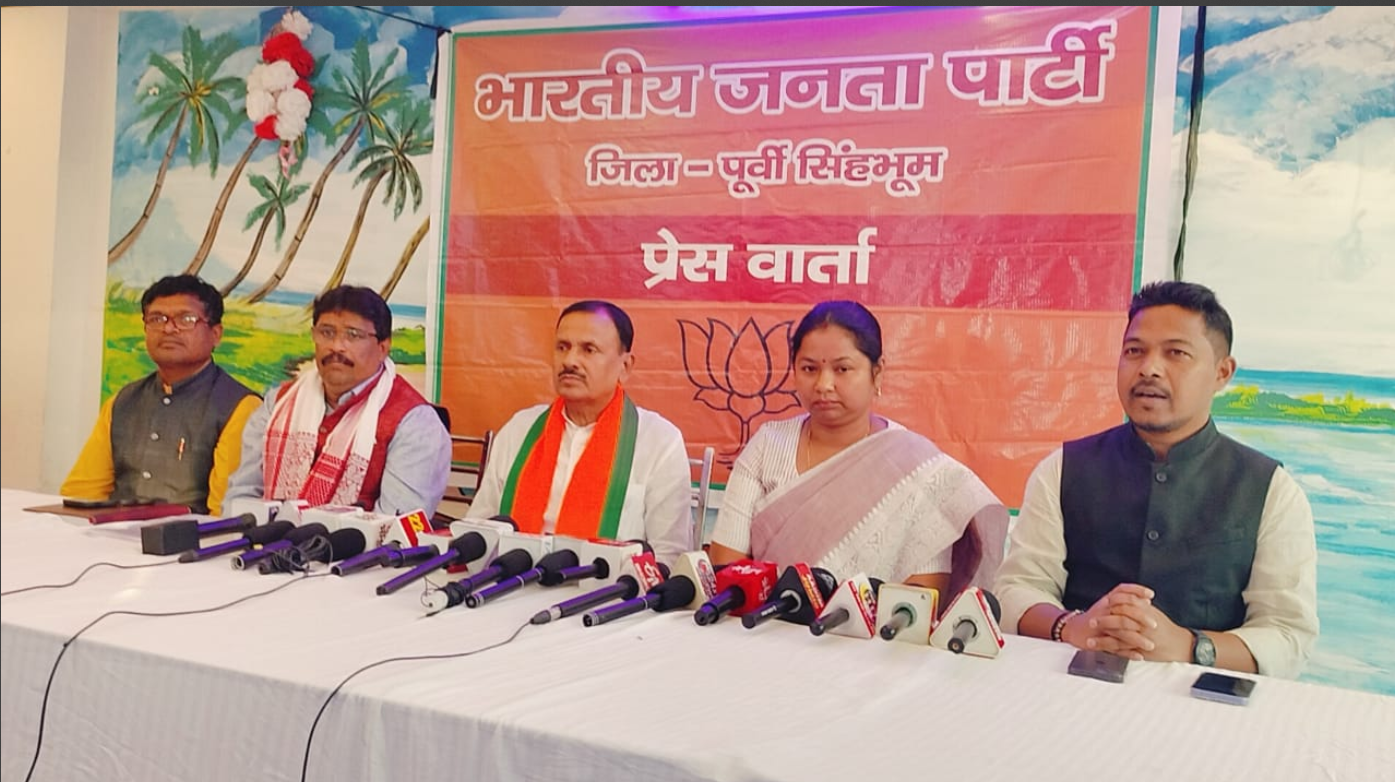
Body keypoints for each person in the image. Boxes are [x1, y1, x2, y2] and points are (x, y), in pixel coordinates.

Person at [994, 280, 1318, 679]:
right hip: (1068, 688)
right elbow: (1015, 589)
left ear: (1222, 372)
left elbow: (1287, 635)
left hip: (1203, 704)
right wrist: (1072, 626)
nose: (1148, 368)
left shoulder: (1271, 490)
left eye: (1175, 353)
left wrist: (1188, 646)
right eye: (1134, 351)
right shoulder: (1062, 469)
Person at [707, 300, 1008, 598]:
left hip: (875, 629)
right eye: (809, 368)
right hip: (765, 622)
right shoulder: (768, 445)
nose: (824, 384)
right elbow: (728, 566)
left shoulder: (916, 465)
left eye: (842, 369)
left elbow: (921, 595)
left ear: (877, 372)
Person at [466, 300, 694, 567]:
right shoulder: (520, 429)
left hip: (606, 590)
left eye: (589, 349)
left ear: (625, 366)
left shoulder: (659, 442)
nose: (570, 361)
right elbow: (477, 529)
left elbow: (669, 556)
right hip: (508, 582)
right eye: (562, 347)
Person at [223, 285, 451, 516]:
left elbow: (393, 525)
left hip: (358, 541)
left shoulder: (415, 423)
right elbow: (241, 496)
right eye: (327, 332)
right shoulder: (278, 404)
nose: (336, 346)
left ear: (383, 347)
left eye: (353, 335)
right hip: (266, 538)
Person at [62, 275, 260, 515]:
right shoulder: (123, 401)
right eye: (157, 319)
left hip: (192, 537)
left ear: (216, 334)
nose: (168, 329)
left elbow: (226, 512)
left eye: (186, 319)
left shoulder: (240, 407)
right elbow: (82, 495)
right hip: (109, 533)